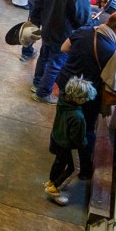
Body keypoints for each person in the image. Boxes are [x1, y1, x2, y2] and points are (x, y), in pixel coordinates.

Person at [49, 12, 116, 175]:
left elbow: (64, 48)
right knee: (86, 130)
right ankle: (84, 169)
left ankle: (56, 149)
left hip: (66, 85)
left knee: (63, 117)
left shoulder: (84, 31)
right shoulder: (115, 52)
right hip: (86, 95)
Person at [30, 0, 96, 103]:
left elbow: (40, 0)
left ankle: (37, 83)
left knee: (44, 56)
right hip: (63, 35)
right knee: (55, 64)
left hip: (47, 27)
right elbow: (82, 21)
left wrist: (35, 21)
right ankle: (42, 93)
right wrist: (92, 22)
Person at [44, 76, 97, 205]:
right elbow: (77, 139)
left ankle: (51, 181)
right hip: (68, 145)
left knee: (59, 162)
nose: (86, 101)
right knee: (74, 169)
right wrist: (84, 144)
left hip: (57, 137)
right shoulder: (77, 117)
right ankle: (54, 190)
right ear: (78, 98)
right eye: (84, 98)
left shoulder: (63, 100)